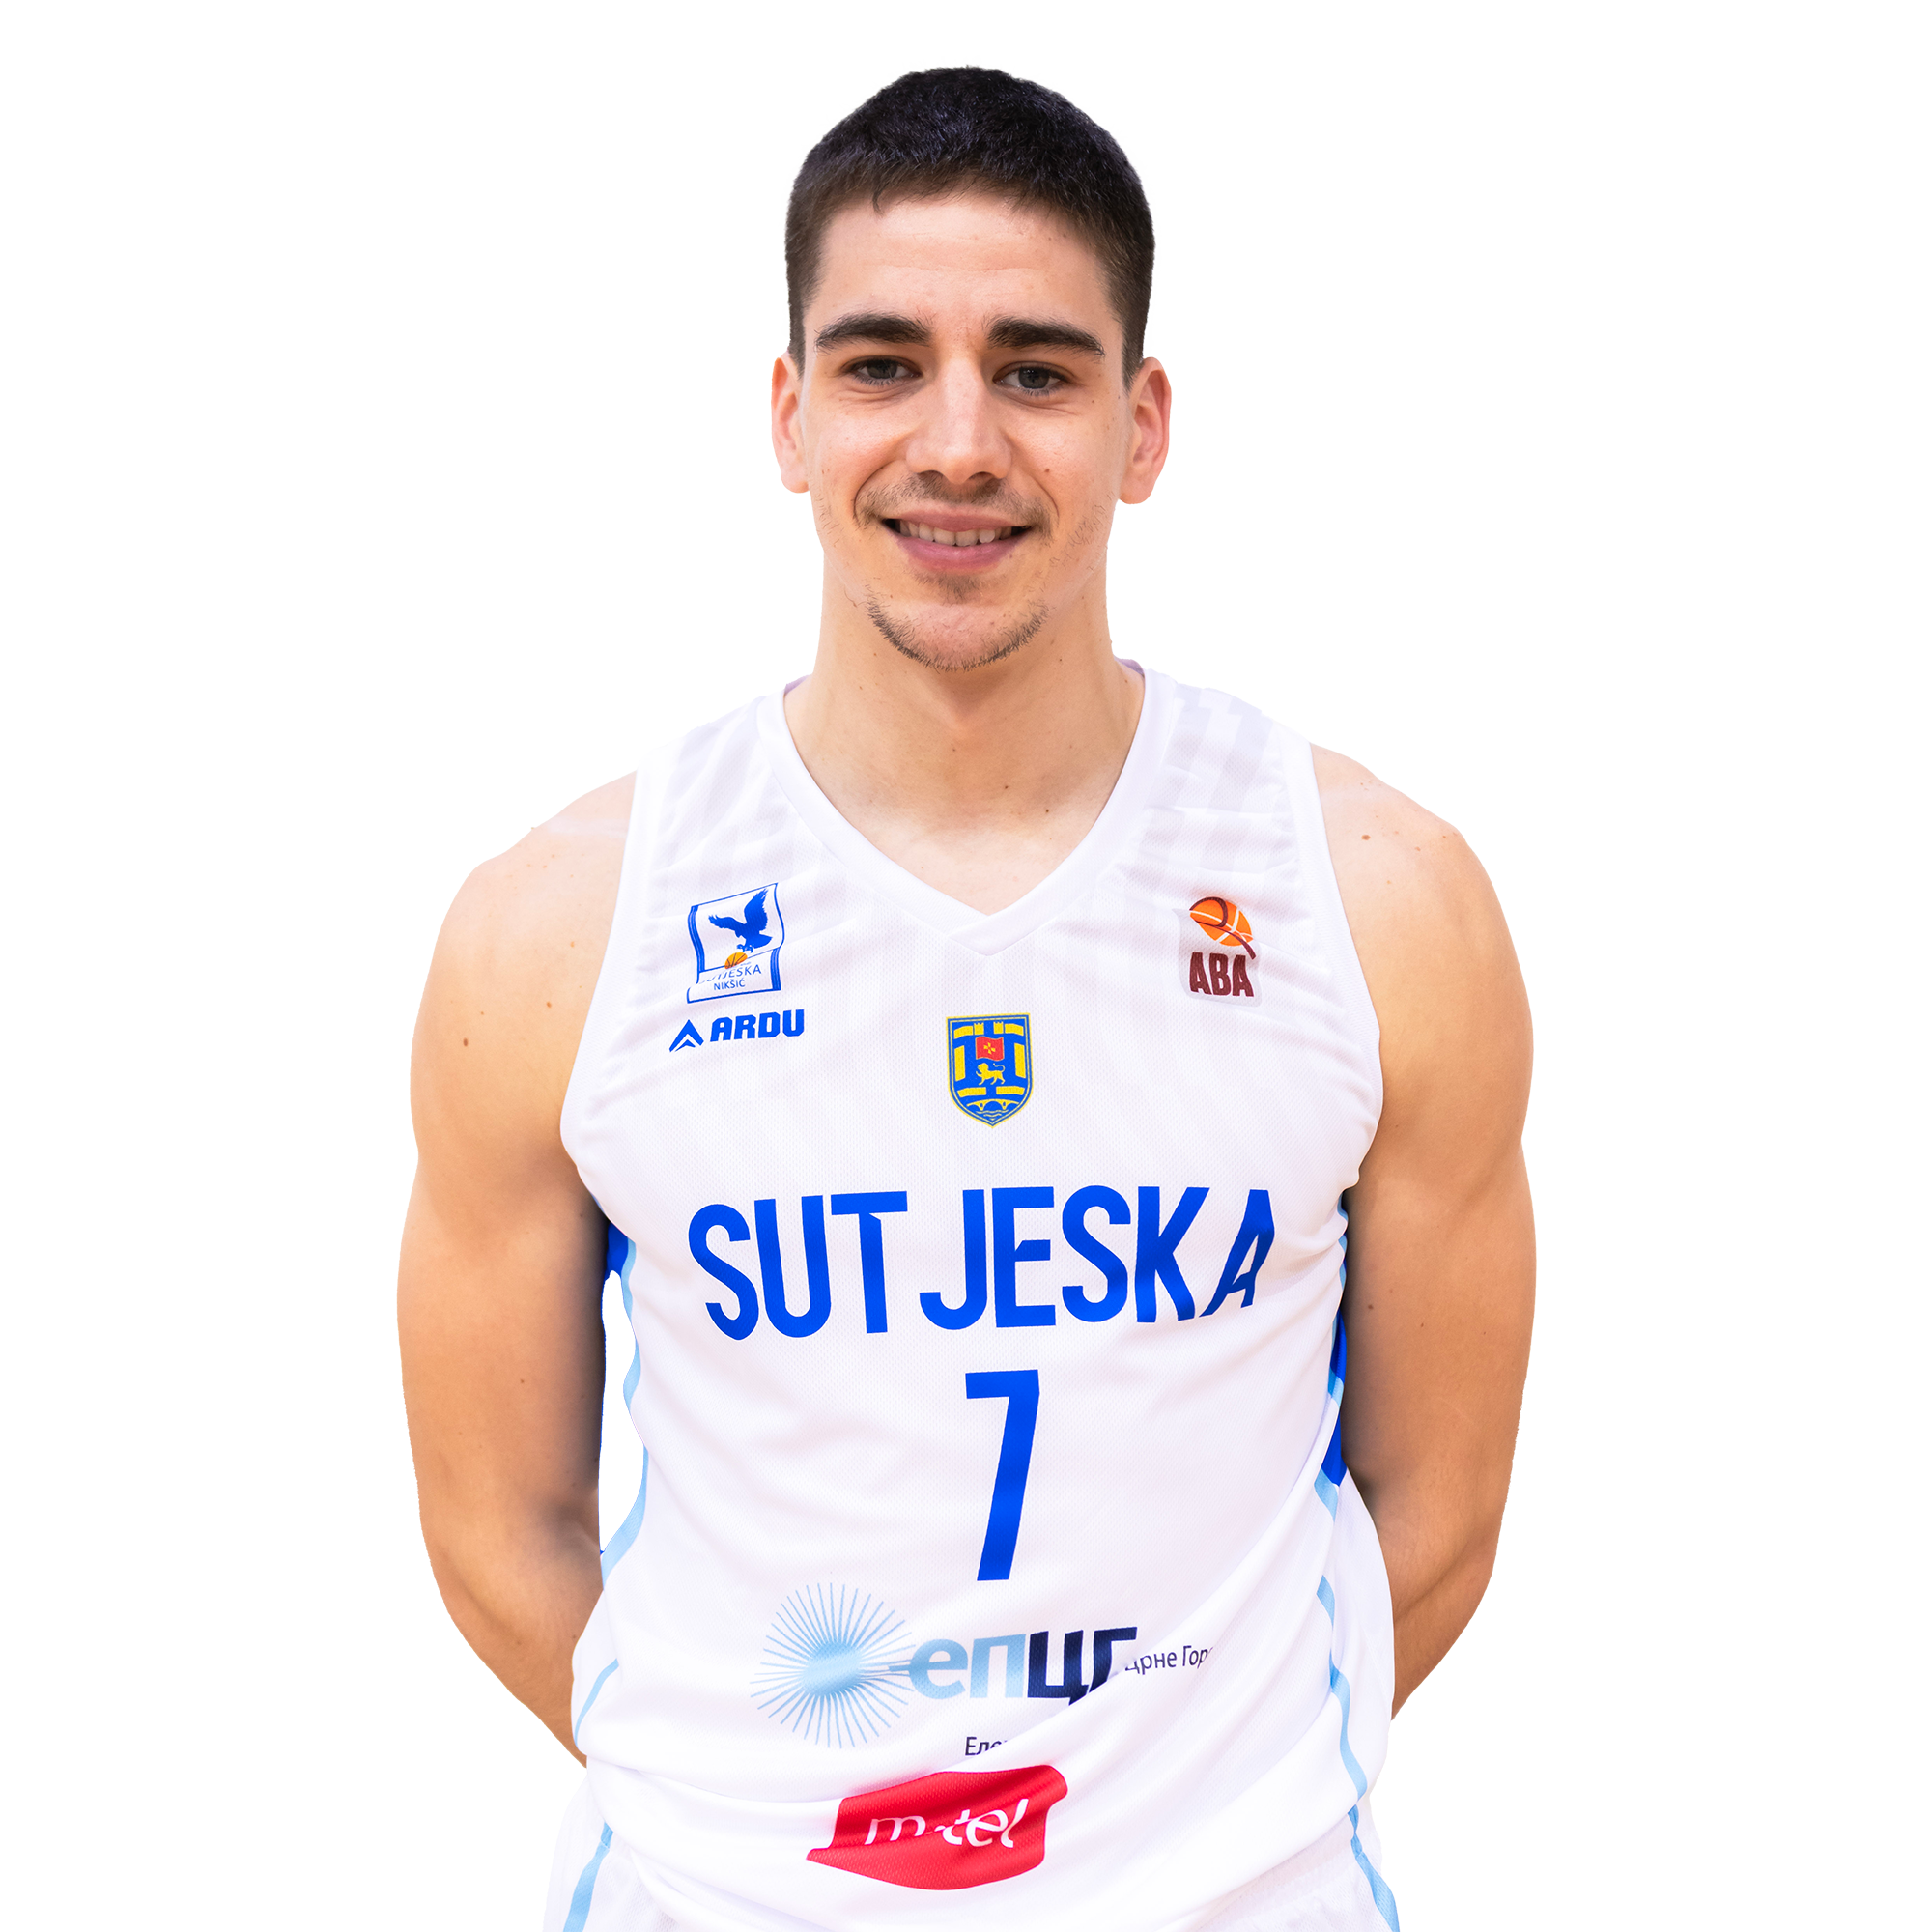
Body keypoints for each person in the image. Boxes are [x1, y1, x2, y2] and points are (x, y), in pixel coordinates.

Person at [399, 65, 1534, 1932]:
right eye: (881, 366)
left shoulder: (1378, 900)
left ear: (1143, 428)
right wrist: (759, 1825)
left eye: (1034, 371)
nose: (957, 443)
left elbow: (1444, 1508)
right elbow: (491, 1531)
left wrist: (1171, 1829)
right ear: (785, 418)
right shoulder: (559, 927)